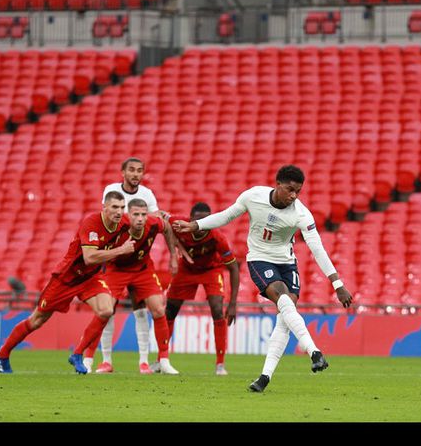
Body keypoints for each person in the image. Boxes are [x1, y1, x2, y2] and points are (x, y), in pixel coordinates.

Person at [172, 165, 353, 393]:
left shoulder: (301, 214)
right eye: (290, 190)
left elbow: (318, 249)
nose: (294, 196)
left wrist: (337, 284)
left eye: (298, 191)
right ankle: (314, 351)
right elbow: (226, 216)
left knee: (285, 317)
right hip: (260, 259)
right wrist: (194, 225)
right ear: (277, 184)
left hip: (287, 263)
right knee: (284, 300)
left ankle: (264, 377)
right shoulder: (253, 196)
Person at [0, 191, 136, 373]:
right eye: (115, 207)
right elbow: (90, 257)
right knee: (37, 320)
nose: (119, 211)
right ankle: (3, 353)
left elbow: (142, 223)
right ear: (105, 207)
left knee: (106, 310)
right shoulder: (92, 223)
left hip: (90, 277)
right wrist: (121, 251)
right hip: (67, 278)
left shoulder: (123, 223)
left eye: (122, 207)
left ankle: (77, 354)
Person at [86, 157, 181, 375]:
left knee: (155, 308)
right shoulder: (111, 190)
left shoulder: (147, 195)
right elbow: (108, 220)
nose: (136, 174)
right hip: (116, 263)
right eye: (131, 170)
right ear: (123, 172)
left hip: (141, 264)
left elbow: (161, 223)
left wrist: (173, 256)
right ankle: (104, 360)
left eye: (139, 170)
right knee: (106, 311)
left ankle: (155, 361)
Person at [165, 202, 240, 376]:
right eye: (198, 220)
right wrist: (173, 248)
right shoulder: (178, 223)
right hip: (186, 269)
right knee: (170, 310)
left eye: (207, 221)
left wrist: (233, 303)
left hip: (210, 270)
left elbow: (234, 268)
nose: (202, 225)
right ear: (190, 220)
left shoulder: (217, 237)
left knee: (216, 308)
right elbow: (160, 218)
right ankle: (162, 359)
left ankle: (220, 365)